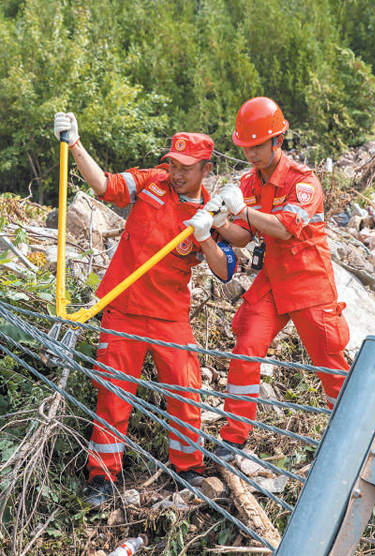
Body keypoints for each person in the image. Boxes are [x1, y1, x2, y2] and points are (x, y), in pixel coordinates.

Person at [53, 113, 236, 505]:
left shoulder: (211, 210)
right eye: (173, 164)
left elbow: (224, 270)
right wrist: (74, 143)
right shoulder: (150, 181)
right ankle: (103, 479)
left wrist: (205, 233)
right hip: (122, 308)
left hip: (170, 316)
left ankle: (187, 468)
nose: (176, 173)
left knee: (186, 390)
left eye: (186, 168)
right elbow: (103, 185)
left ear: (206, 168)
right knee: (113, 394)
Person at [206, 97, 350, 462]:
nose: (251, 153)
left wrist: (242, 210)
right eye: (245, 146)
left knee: (330, 366)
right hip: (272, 281)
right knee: (245, 348)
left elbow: (285, 230)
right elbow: (243, 236)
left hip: (309, 283)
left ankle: (354, 439)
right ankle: (233, 438)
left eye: (257, 146)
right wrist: (217, 222)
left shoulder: (303, 182)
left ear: (277, 141)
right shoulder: (247, 182)